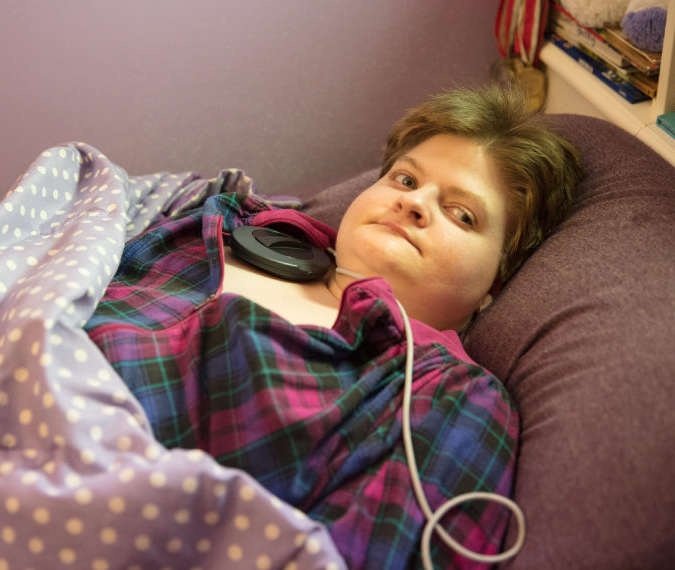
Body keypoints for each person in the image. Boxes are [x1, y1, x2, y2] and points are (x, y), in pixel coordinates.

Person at [85, 83, 582, 569]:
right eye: (406, 180)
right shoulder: (218, 220)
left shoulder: (452, 398)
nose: (414, 202)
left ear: (497, 279)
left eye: (462, 214)